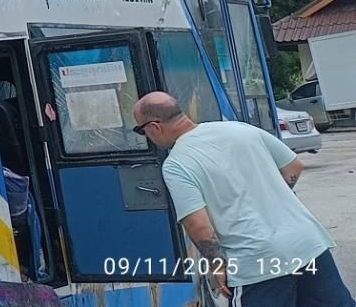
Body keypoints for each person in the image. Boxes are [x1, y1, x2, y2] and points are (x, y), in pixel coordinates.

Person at [131, 91, 353, 307]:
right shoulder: (239, 128)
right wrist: (268, 197)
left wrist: (218, 266)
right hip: (307, 244)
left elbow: (198, 225)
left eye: (142, 131)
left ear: (154, 127)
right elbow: (294, 166)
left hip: (258, 262)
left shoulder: (177, 163)